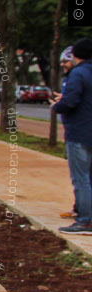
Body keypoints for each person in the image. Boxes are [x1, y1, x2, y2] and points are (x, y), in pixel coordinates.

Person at [52, 38, 92, 234]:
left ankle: (85, 221)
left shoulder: (78, 73)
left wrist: (57, 105)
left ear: (75, 56)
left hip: (80, 132)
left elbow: (71, 101)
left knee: (81, 178)